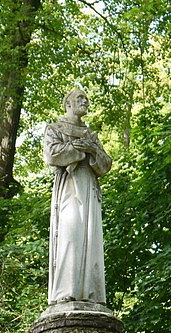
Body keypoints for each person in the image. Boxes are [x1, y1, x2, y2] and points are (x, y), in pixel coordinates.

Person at [43, 88, 112, 305]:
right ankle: (67, 290)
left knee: (90, 238)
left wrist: (93, 151)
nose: (85, 102)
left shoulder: (91, 135)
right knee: (70, 235)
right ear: (68, 104)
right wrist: (78, 149)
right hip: (69, 189)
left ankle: (91, 293)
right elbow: (52, 154)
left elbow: (106, 165)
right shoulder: (54, 129)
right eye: (80, 98)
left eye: (86, 99)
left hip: (89, 190)